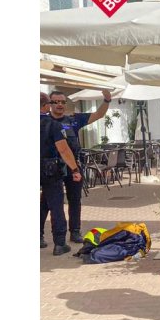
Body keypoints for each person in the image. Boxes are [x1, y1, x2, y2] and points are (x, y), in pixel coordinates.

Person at [46, 89, 111, 244]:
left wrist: (107, 100)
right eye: (56, 102)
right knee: (48, 202)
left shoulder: (73, 120)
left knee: (75, 200)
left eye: (63, 102)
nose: (60, 105)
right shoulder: (44, 122)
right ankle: (40, 235)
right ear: (50, 104)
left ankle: (75, 232)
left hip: (73, 165)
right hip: (51, 167)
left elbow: (98, 115)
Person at [40, 93, 83, 255]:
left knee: (43, 203)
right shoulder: (53, 125)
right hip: (49, 169)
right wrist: (75, 169)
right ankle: (60, 243)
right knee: (56, 205)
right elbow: (64, 149)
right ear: (46, 105)